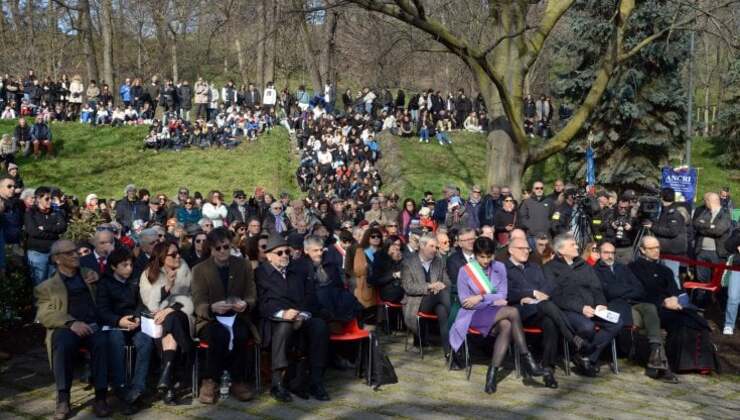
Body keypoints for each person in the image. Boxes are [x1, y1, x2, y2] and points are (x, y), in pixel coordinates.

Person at [450, 237, 549, 393]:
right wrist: (490, 300)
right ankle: (528, 362)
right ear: (475, 255)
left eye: (489, 256)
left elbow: (503, 295)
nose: (485, 260)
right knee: (513, 311)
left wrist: (481, 297)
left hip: (491, 311)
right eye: (481, 256)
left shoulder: (500, 267)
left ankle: (492, 374)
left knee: (507, 325)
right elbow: (465, 302)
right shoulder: (465, 271)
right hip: (472, 314)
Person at [35, 240, 111, 419]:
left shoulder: (88, 275)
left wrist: (98, 278)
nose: (75, 255)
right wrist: (71, 323)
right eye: (69, 253)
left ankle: (100, 397)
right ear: (57, 259)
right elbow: (45, 314)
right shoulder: (46, 287)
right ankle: (63, 398)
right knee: (62, 343)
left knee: (101, 342)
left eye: (75, 251)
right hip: (67, 327)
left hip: (92, 325)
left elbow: (109, 279)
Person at [255, 235, 330, 402]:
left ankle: (316, 381)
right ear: (268, 256)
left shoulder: (297, 270)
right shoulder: (260, 274)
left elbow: (309, 296)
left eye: (286, 251)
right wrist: (283, 314)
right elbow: (261, 303)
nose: (284, 255)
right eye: (279, 252)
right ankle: (277, 383)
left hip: (300, 315)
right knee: (284, 327)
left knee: (319, 326)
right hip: (273, 320)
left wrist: (301, 314)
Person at [629, 236, 717, 372]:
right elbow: (638, 293)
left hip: (672, 305)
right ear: (642, 250)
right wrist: (663, 302)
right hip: (651, 307)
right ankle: (680, 363)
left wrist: (675, 298)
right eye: (651, 248)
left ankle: (699, 363)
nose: (656, 251)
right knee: (682, 320)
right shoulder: (633, 268)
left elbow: (674, 289)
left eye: (657, 247)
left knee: (695, 319)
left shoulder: (665, 270)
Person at [191, 227, 259, 403]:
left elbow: (251, 294)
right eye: (217, 248)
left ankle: (238, 381)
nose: (222, 251)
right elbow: (198, 302)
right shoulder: (199, 270)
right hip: (210, 319)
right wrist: (211, 307)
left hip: (237, 316)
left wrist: (246, 304)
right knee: (218, 334)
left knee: (241, 333)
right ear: (211, 249)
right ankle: (210, 380)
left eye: (226, 247)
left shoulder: (243, 265)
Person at [594, 241, 677, 382]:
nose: (610, 256)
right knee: (650, 321)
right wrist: (626, 290)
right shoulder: (595, 271)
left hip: (633, 304)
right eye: (606, 253)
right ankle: (661, 365)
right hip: (617, 309)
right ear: (599, 253)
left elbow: (640, 290)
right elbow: (608, 292)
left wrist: (620, 291)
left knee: (650, 307)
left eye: (612, 253)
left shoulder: (623, 268)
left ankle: (656, 356)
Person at [544, 233, 624, 377]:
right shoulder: (550, 268)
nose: (577, 247)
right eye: (572, 245)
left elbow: (597, 288)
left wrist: (601, 304)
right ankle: (584, 357)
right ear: (561, 250)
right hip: (569, 310)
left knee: (617, 322)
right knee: (587, 327)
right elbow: (555, 296)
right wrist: (581, 308)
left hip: (593, 309)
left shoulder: (584, 266)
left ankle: (586, 356)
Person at [506, 237, 581, 383]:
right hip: (519, 311)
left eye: (527, 249)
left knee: (550, 322)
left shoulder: (534, 267)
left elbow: (549, 285)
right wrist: (530, 293)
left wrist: (541, 295)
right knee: (547, 306)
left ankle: (548, 370)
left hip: (541, 308)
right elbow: (505, 292)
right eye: (522, 249)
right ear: (511, 250)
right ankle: (571, 337)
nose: (526, 252)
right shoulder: (502, 268)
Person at [96, 247, 154, 410]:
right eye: (124, 265)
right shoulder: (105, 283)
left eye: (130, 264)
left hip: (134, 323)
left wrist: (136, 317)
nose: (129, 268)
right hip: (114, 324)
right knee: (116, 341)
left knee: (145, 341)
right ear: (114, 267)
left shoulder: (136, 279)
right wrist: (118, 320)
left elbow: (142, 303)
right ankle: (120, 386)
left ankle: (137, 388)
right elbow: (102, 310)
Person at [139, 241, 195, 405]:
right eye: (173, 254)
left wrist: (171, 309)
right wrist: (166, 287)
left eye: (178, 253)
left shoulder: (185, 269)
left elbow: (192, 297)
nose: (178, 256)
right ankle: (168, 381)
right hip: (158, 321)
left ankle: (165, 376)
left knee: (172, 318)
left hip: (184, 315)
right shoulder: (149, 274)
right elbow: (151, 305)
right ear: (162, 258)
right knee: (169, 326)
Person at [401, 233, 451, 356]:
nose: (435, 250)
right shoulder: (408, 262)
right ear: (422, 246)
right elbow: (408, 287)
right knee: (442, 296)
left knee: (442, 311)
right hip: (416, 302)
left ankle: (449, 352)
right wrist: (430, 286)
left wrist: (442, 285)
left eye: (436, 247)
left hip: (437, 300)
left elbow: (447, 282)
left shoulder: (439, 262)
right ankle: (456, 318)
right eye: (432, 246)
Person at [642, 187, 687, 288]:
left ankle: (678, 299)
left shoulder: (674, 213)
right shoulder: (664, 211)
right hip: (664, 250)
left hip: (672, 252)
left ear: (662, 198)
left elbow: (672, 231)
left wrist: (652, 227)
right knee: (663, 276)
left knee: (672, 276)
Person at [25, 186, 68, 286]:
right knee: (40, 284)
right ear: (39, 199)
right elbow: (33, 232)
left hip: (53, 252)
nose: (50, 201)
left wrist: (45, 227)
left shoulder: (55, 211)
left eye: (51, 198)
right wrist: (54, 232)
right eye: (47, 199)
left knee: (53, 283)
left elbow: (63, 227)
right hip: (37, 253)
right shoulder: (31, 213)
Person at [692, 192, 732, 282]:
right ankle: (702, 295)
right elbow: (696, 223)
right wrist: (710, 226)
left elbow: (718, 231)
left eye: (706, 201)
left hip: (717, 253)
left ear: (710, 201)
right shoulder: (705, 212)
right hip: (701, 251)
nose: (705, 203)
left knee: (716, 280)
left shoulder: (725, 214)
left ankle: (714, 296)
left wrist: (704, 227)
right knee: (701, 279)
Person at [370, 235, 406, 303]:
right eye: (394, 244)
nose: (396, 247)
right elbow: (376, 280)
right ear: (388, 244)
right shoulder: (380, 258)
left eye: (398, 245)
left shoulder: (402, 257)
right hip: (387, 290)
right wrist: (394, 275)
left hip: (402, 287)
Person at [518, 181, 553, 246]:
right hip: (532, 236)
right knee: (533, 256)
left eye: (541, 188)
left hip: (546, 235)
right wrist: (530, 226)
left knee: (546, 255)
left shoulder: (549, 201)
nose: (539, 190)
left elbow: (554, 215)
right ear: (533, 189)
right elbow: (522, 217)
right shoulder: (527, 202)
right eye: (537, 188)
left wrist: (549, 225)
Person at [723, 229, 740, 335]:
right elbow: (728, 246)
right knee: (733, 297)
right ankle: (729, 324)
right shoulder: (737, 231)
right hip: (737, 267)